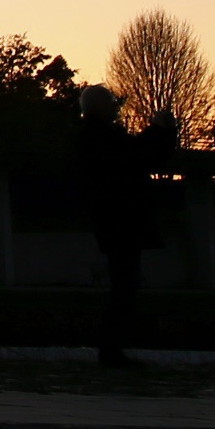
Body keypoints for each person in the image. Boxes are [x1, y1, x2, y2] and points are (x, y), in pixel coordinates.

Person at [76, 84, 179, 366]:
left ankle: (112, 349)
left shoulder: (94, 136)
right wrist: (161, 131)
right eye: (110, 102)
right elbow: (137, 157)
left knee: (124, 284)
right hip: (121, 219)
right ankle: (111, 350)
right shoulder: (103, 137)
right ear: (98, 107)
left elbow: (134, 155)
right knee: (124, 285)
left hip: (113, 219)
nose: (115, 106)